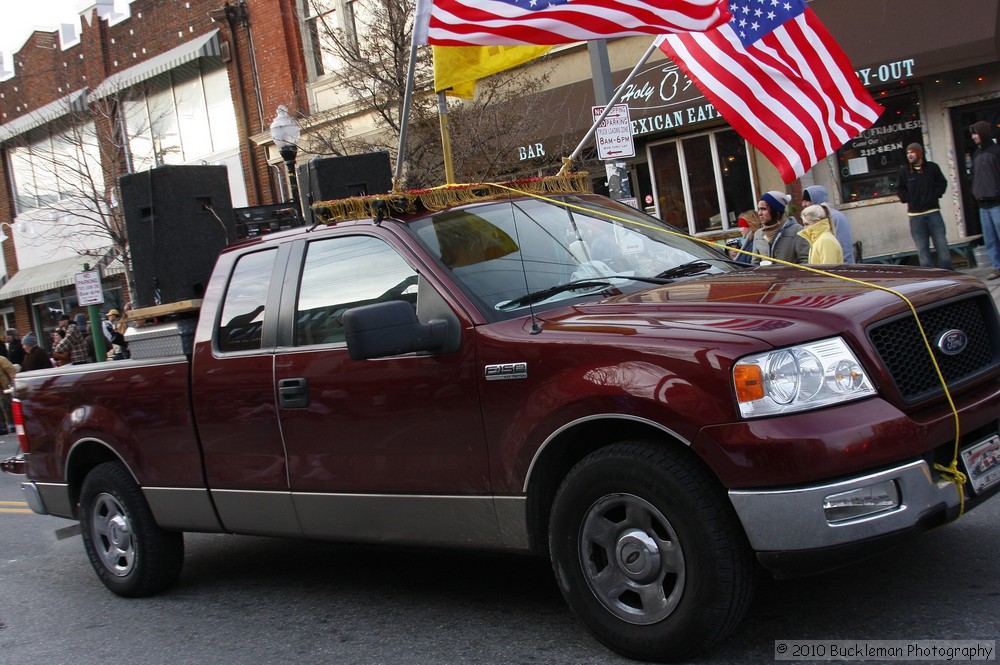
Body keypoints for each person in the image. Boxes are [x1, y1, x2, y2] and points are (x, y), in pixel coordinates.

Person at [896, 143, 953, 269]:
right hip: (916, 217)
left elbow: (942, 183)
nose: (909, 155)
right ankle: (931, 280)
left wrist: (934, 195)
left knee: (942, 247)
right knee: (922, 251)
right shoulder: (904, 171)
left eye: (912, 152)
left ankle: (949, 274)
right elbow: (900, 189)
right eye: (907, 153)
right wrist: (908, 199)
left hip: (933, 214)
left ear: (919, 153)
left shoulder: (932, 168)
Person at [969, 121, 1000, 280]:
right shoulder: (976, 153)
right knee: (989, 239)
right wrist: (974, 192)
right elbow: (973, 175)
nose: (973, 137)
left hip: (997, 203)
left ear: (983, 133)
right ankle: (997, 267)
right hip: (982, 205)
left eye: (975, 133)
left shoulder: (996, 151)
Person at [751, 190, 809, 266]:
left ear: (776, 211)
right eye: (758, 209)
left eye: (763, 209)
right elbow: (755, 264)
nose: (759, 213)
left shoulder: (797, 231)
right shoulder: (758, 234)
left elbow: (806, 262)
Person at [802, 186, 854, 263]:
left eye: (807, 200)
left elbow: (845, 246)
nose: (803, 204)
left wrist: (847, 269)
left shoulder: (836, 217)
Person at [0, 352, 16, 432]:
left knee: (6, 406)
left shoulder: (1, 359)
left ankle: (12, 424)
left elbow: (11, 370)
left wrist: (13, 382)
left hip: (4, 387)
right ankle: (2, 427)